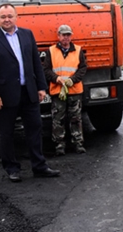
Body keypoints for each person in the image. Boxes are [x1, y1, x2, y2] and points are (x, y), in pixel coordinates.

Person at [0, 4, 60, 182]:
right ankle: (12, 168)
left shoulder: (27, 34)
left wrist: (41, 87)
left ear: (16, 17)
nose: (7, 19)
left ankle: (39, 166)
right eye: (3, 17)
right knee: (6, 133)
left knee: (35, 129)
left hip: (28, 92)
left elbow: (36, 63)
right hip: (4, 95)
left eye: (10, 16)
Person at [42, 24, 87, 156]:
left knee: (76, 118)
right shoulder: (51, 51)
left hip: (74, 90)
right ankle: (59, 145)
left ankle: (78, 143)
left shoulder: (78, 50)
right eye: (63, 35)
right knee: (58, 118)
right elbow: (46, 69)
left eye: (68, 35)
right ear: (59, 36)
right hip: (57, 90)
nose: (66, 38)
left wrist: (73, 80)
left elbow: (83, 68)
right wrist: (56, 79)